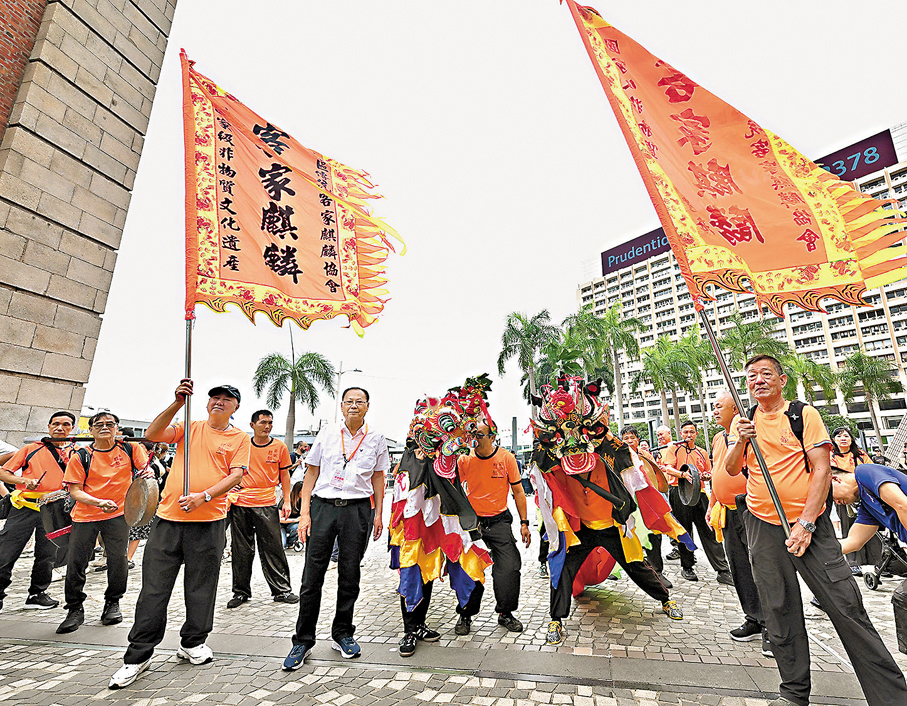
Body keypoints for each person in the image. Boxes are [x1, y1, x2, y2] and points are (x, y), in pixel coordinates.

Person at [726, 355, 907, 706]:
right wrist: (739, 440)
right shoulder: (743, 421)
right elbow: (733, 469)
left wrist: (806, 524)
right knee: (778, 608)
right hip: (762, 524)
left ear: (782, 379)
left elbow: (822, 471)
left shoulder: (802, 415)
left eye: (766, 374)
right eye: (751, 376)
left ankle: (892, 698)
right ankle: (793, 693)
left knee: (845, 605)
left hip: (811, 523)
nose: (758, 380)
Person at [109, 381, 250, 689]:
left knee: (201, 587)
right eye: (215, 396)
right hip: (168, 520)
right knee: (154, 590)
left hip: (209, 522)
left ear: (236, 407)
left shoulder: (240, 438)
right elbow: (152, 434)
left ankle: (192, 642)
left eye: (227, 399)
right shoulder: (189, 427)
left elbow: (237, 474)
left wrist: (205, 496)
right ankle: (138, 656)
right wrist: (176, 403)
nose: (219, 401)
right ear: (207, 402)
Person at [530, 378, 685, 647]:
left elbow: (636, 476)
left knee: (638, 566)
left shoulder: (607, 456)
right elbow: (540, 461)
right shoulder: (558, 464)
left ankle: (666, 600)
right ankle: (556, 619)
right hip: (582, 532)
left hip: (613, 527)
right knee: (561, 570)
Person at [282, 387, 388, 670]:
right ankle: (302, 640)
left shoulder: (376, 438)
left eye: (360, 402)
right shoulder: (328, 433)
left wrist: (378, 514)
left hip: (357, 510)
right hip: (324, 507)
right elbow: (311, 473)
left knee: (350, 574)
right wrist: (304, 514)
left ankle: (343, 633)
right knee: (312, 575)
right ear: (341, 406)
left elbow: (379, 477)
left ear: (368, 406)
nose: (354, 406)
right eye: (349, 401)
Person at [57, 412, 150, 634]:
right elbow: (75, 491)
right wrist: (98, 502)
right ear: (91, 430)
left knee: (119, 561)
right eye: (99, 424)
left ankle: (113, 603)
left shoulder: (130, 449)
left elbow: (145, 474)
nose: (105, 427)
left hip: (118, 515)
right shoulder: (81, 455)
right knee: (76, 562)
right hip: (86, 515)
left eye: (110, 424)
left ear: (117, 427)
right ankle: (74, 608)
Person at [705, 392, 769, 656]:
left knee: (762, 567)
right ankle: (753, 617)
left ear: (735, 408)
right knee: (740, 567)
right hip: (726, 509)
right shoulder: (718, 438)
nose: (715, 411)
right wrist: (712, 504)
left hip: (751, 509)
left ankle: (772, 628)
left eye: (719, 406)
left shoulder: (750, 432)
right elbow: (717, 473)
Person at [455, 420, 530, 635]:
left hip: (499, 521)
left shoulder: (506, 458)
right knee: (470, 570)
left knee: (509, 567)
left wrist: (524, 523)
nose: (475, 439)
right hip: (474, 524)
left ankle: (505, 613)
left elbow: (518, 492)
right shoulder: (465, 459)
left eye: (479, 435)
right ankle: (465, 614)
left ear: (492, 437)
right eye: (473, 435)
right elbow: (452, 485)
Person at [0, 411, 76, 612]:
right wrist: (23, 481)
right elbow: (4, 472)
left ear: (72, 428)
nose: (60, 428)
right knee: (6, 551)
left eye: (66, 424)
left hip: (55, 510)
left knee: (47, 554)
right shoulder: (30, 449)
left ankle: (37, 593)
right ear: (49, 426)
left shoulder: (75, 453)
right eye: (56, 424)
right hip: (24, 506)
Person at [226, 410, 298, 609]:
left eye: (270, 423)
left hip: (266, 503)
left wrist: (286, 501)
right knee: (241, 550)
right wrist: (230, 485)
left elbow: (285, 476)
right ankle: (240, 592)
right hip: (241, 504)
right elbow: (227, 469)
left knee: (273, 548)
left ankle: (282, 590)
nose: (267, 426)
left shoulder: (280, 447)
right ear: (252, 425)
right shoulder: (242, 446)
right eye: (263, 422)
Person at [662, 421, 733, 585]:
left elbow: (709, 471)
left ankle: (723, 570)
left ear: (696, 434)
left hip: (699, 493)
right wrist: (682, 474)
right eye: (685, 432)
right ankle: (687, 567)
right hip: (678, 492)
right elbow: (668, 468)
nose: (688, 435)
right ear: (681, 434)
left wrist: (707, 475)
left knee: (709, 531)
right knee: (684, 531)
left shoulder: (702, 452)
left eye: (692, 432)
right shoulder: (673, 448)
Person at [620, 426, 672, 588]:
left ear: (637, 439)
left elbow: (655, 477)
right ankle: (615, 570)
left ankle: (657, 572)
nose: (629, 441)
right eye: (625, 438)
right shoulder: (617, 456)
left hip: (647, 502)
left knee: (653, 535)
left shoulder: (645, 456)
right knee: (623, 535)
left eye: (632, 438)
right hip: (626, 503)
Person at [836, 463, 907, 556]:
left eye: (831, 497)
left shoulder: (863, 472)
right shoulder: (867, 506)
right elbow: (853, 542)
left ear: (835, 479)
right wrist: (819, 553)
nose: (837, 502)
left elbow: (902, 505)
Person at [830, 426, 873, 574]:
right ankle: (853, 562)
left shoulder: (860, 455)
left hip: (864, 493)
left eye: (846, 436)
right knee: (847, 526)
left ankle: (879, 561)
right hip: (843, 495)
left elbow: (870, 469)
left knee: (872, 527)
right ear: (834, 440)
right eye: (839, 436)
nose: (843, 439)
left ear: (852, 439)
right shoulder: (831, 456)